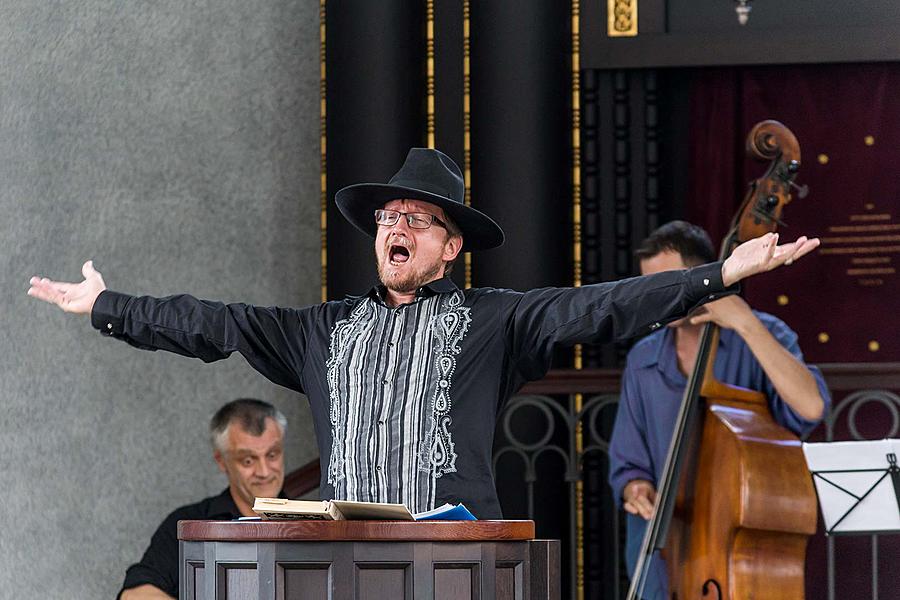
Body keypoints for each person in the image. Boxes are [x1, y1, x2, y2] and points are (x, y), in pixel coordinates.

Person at [28, 148, 819, 521]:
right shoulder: (324, 331)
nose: (396, 227)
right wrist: (109, 307)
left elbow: (598, 306)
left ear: (450, 246)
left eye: (418, 219)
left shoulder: (493, 320)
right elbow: (217, 324)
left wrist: (718, 275)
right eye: (388, 218)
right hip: (347, 566)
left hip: (451, 567)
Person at [607, 220, 831, 599]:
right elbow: (629, 461)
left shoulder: (765, 333)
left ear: (703, 277)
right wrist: (636, 487)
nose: (658, 295)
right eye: (650, 285)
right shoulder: (644, 358)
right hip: (663, 549)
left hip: (736, 556)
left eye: (668, 282)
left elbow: (810, 407)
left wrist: (744, 322)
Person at [119, 399, 287, 600]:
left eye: (272, 455)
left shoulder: (314, 524)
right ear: (222, 461)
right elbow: (135, 595)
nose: (264, 471)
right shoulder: (188, 523)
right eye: (248, 460)